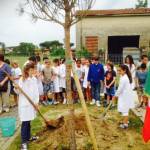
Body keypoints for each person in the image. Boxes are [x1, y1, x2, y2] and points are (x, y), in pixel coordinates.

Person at [14, 63, 39, 150]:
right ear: (27, 70)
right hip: (25, 104)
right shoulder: (22, 79)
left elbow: (36, 92)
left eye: (34, 69)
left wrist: (36, 102)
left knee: (28, 122)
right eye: (31, 70)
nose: (33, 71)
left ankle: (29, 137)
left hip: (32, 104)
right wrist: (16, 88)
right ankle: (24, 142)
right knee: (25, 122)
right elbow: (18, 92)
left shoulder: (34, 79)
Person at [112, 65, 135, 129]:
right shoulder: (123, 76)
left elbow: (120, 89)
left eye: (120, 70)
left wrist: (115, 95)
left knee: (125, 110)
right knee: (125, 109)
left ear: (124, 70)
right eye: (118, 70)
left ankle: (125, 124)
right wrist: (116, 95)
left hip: (125, 96)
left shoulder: (124, 78)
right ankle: (125, 121)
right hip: (124, 95)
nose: (118, 72)